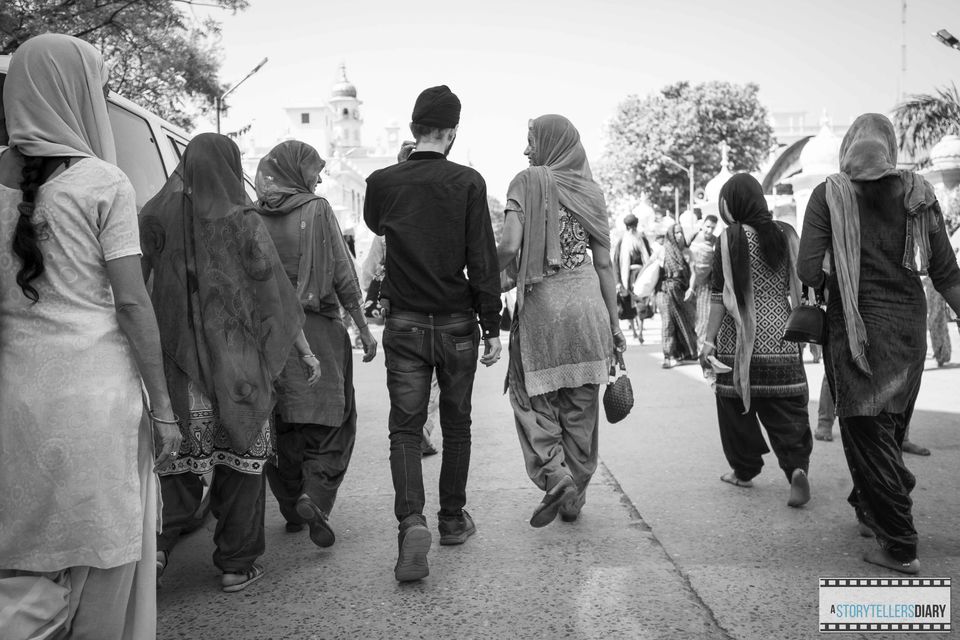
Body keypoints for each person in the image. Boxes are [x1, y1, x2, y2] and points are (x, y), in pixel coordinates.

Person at [0, 33, 179, 639]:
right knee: (106, 552)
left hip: (14, 401)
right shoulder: (105, 182)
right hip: (99, 402)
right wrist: (165, 409)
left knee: (23, 557)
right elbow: (131, 301)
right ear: (78, 92)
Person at [140, 133, 313, 592]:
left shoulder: (153, 216)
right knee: (240, 463)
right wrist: (305, 352)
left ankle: (156, 551)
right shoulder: (244, 222)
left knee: (174, 465)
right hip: (238, 370)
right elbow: (274, 299)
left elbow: (135, 292)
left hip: (174, 367)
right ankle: (236, 564)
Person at [798, 113, 960, 574]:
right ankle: (869, 506)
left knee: (869, 437)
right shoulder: (917, 192)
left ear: (849, 146)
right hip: (908, 336)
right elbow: (945, 272)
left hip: (853, 333)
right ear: (888, 148)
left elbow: (809, 272)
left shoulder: (828, 194)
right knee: (882, 432)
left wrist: (842, 258)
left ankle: (900, 544)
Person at [363, 85, 502, 582]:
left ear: (413, 128)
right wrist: (492, 327)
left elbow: (376, 223)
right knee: (457, 424)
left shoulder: (383, 181)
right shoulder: (468, 182)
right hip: (457, 324)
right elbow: (482, 258)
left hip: (403, 322)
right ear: (452, 132)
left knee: (405, 427)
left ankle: (410, 523)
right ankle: (450, 520)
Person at [498, 114, 625, 529]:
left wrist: (494, 275)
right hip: (589, 308)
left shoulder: (526, 181)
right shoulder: (591, 191)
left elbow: (511, 244)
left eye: (531, 140)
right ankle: (574, 497)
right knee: (581, 407)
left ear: (549, 144)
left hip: (543, 310)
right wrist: (615, 323)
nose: (526, 150)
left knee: (532, 399)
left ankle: (556, 476)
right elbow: (604, 263)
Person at [253, 140, 377, 548]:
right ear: (296, 171)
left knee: (283, 422)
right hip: (320, 330)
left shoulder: (251, 216)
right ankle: (315, 495)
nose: (320, 178)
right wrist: (362, 326)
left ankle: (291, 506)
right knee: (333, 422)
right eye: (314, 170)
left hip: (271, 337)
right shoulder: (317, 209)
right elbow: (343, 273)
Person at [700, 174, 812, 508]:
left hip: (740, 340)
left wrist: (707, 342)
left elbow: (721, 296)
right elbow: (803, 284)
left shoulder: (730, 238)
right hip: (782, 337)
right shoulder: (786, 233)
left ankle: (743, 470)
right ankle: (796, 470)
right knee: (787, 410)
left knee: (734, 406)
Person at [660, 222, 699, 368]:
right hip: (666, 291)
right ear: (670, 235)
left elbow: (694, 272)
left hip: (683, 292)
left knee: (686, 322)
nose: (679, 235)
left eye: (681, 232)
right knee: (668, 323)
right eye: (676, 232)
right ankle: (667, 356)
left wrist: (691, 289)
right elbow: (651, 267)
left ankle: (685, 353)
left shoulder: (687, 252)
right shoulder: (663, 251)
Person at [613, 212, 653, 341]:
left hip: (641, 275)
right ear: (627, 228)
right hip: (627, 277)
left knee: (641, 303)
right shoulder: (622, 241)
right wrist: (618, 281)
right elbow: (616, 262)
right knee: (627, 304)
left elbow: (649, 257)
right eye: (630, 227)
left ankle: (641, 331)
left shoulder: (642, 238)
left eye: (634, 227)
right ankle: (634, 331)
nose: (632, 229)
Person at [689, 214, 719, 349]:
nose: (709, 230)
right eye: (707, 227)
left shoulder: (716, 241)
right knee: (693, 319)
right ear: (702, 225)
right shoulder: (692, 239)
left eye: (713, 228)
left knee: (704, 318)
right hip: (690, 285)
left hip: (706, 285)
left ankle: (702, 348)